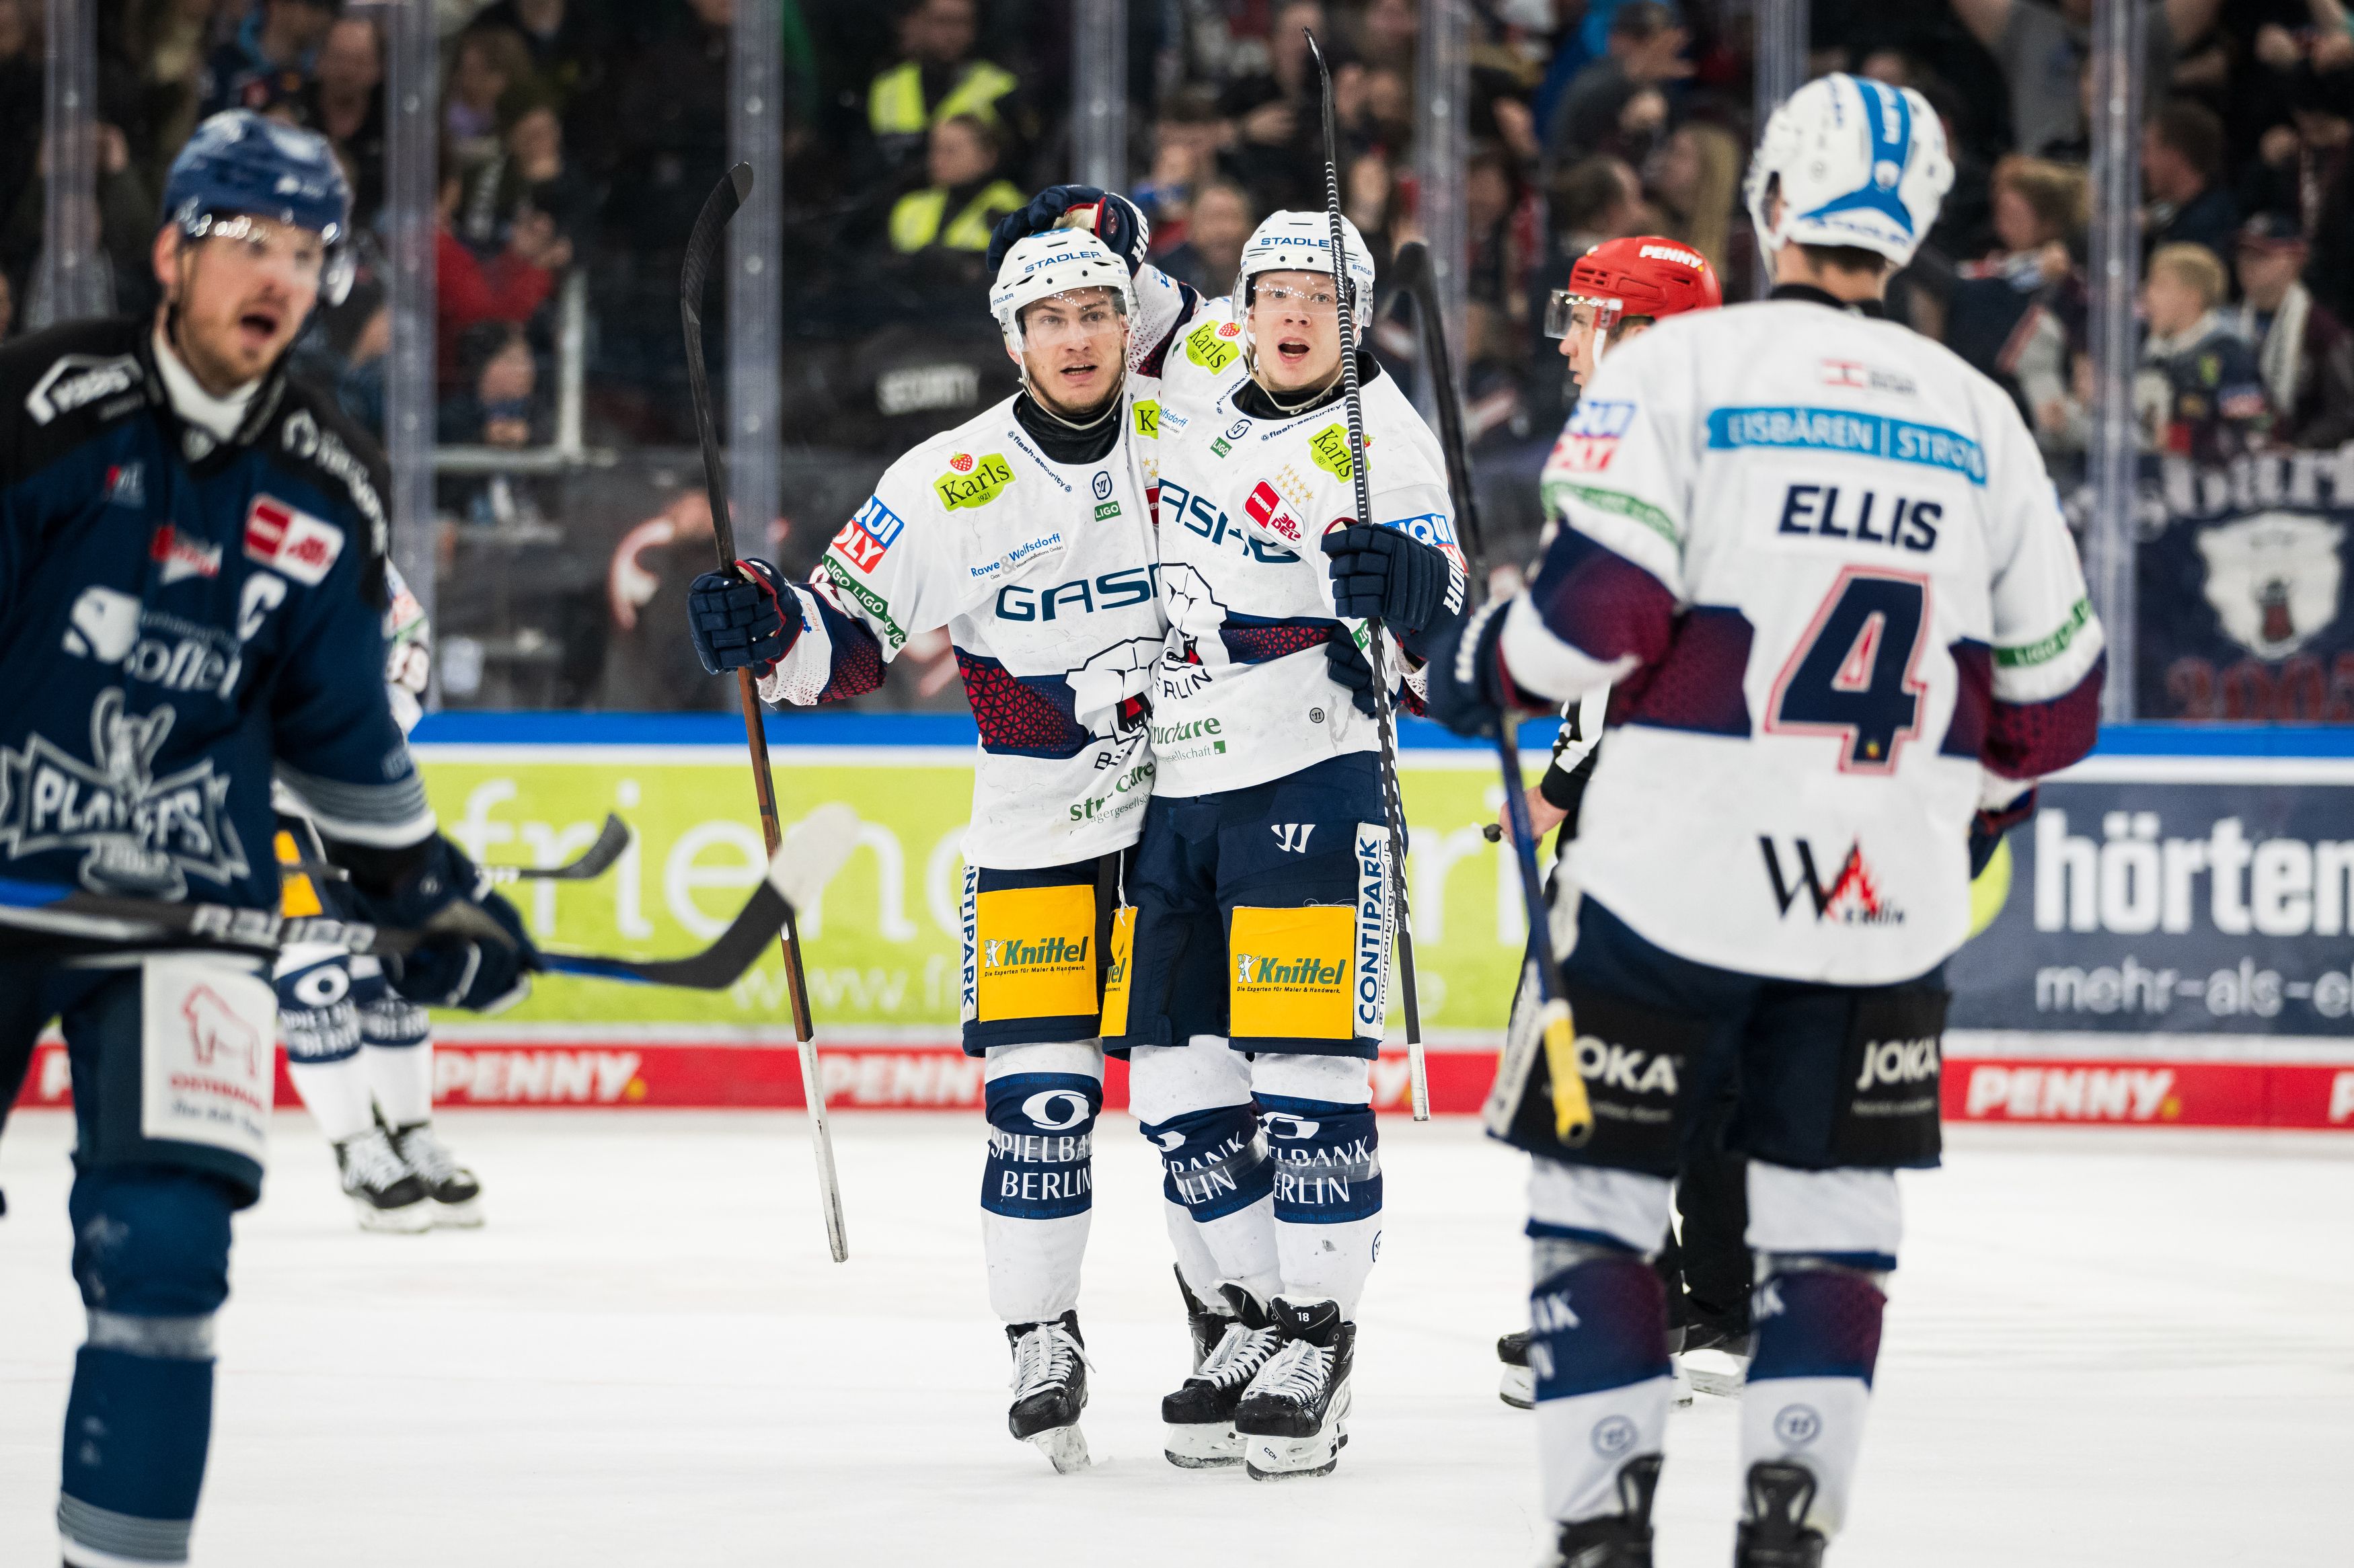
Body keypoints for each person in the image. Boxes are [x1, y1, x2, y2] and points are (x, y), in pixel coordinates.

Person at [1426, 74, 2105, 1565]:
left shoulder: (1682, 371)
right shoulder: (1980, 414)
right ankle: (1789, 1521)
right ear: (1917, 220)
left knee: (1598, 1202)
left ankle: (1604, 1521)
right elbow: (2057, 708)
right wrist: (1950, 822)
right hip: (1879, 902)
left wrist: (1470, 662)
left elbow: (1592, 624)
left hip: (1672, 877)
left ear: (1773, 200)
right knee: (1835, 1217)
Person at [0, 108, 535, 1568]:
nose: (281, 276)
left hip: (189, 911)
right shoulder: (38, 408)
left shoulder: (328, 476)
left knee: (168, 1254)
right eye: (251, 241)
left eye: (309, 253)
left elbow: (338, 728)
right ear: (174, 251)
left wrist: (423, 892)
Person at [685, 218, 1201, 1473]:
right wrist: (769, 623)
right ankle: (1042, 1339)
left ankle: (1233, 1330)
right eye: (1050, 322)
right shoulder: (947, 479)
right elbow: (846, 639)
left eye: (1097, 315)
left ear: (1130, 323)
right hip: (1034, 831)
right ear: (1013, 341)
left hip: (1189, 818)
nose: (1076, 340)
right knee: (1042, 1101)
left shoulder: (1195, 435)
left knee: (1203, 1100)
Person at [1039, 200, 1466, 1481]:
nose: (1291, 315)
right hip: (1179, 787)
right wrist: (1095, 228)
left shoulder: (1382, 447)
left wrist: (1414, 599)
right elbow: (1143, 311)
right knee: (1176, 1086)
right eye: (1273, 293)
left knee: (1302, 1071)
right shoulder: (1217, 357)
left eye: (1319, 299)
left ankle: (1318, 1339)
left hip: (1309, 775)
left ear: (1357, 317)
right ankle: (1252, 1318)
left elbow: (1442, 632)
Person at [1495, 234, 1751, 1413]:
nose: (1565, 342)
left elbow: (1625, 649)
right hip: (1708, 798)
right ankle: (1708, 1304)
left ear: (1645, 338)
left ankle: (1658, 1309)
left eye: (1586, 318)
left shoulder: (1648, 455)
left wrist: (1564, 780)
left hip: (1661, 806)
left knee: (1598, 1058)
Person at [272, 561, 484, 1232]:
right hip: (260, 805)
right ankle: (356, 1148)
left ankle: (410, 1135)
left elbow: (407, 639)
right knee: (313, 970)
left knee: (394, 965)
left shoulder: (347, 540)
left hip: (361, 796)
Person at [2138, 240, 2271, 463]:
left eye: (2160, 285)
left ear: (2192, 297)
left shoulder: (2229, 355)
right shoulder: (2150, 354)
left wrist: (2176, 440)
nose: (2147, 295)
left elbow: (2251, 434)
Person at [2233, 210, 2354, 448]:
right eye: (2243, 255)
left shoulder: (2323, 331)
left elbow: (2346, 412)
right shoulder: (2229, 324)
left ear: (2294, 261)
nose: (2247, 265)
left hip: (2306, 462)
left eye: (2261, 256)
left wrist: (2299, 446)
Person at [2142, 99, 2239, 267]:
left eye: (2148, 150)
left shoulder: (2204, 230)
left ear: (2174, 156)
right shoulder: (2180, 215)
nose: (2143, 163)